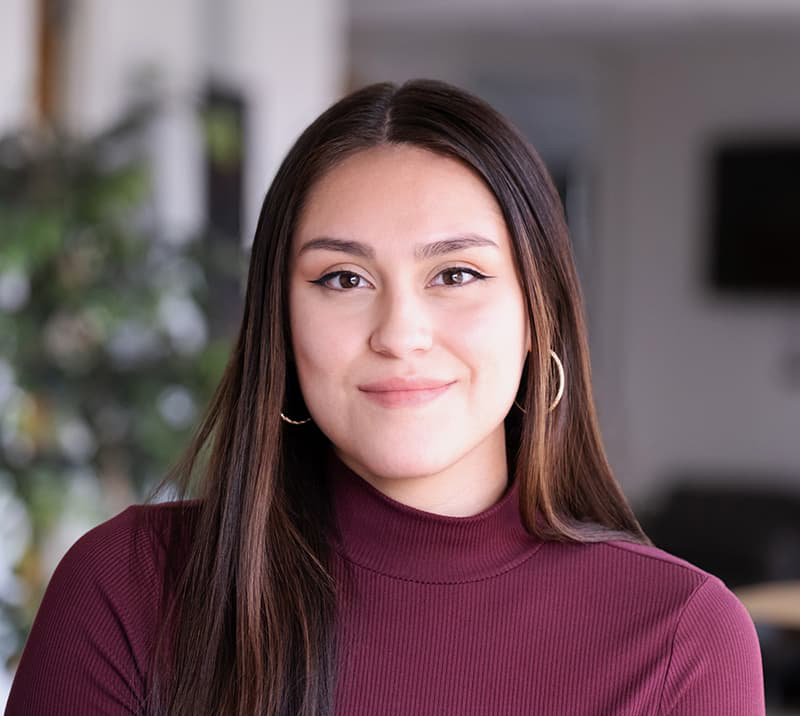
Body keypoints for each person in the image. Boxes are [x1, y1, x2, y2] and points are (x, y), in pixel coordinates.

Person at [5, 79, 764, 716]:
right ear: (281, 325)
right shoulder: (129, 586)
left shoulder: (681, 638)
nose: (400, 334)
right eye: (343, 279)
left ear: (539, 316)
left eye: (456, 274)